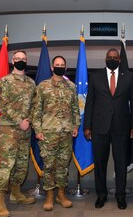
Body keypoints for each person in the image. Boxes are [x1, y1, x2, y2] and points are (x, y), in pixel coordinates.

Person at [84, 48, 133, 210]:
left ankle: (120, 196)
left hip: (122, 127)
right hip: (99, 127)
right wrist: (87, 126)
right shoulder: (95, 76)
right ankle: (101, 195)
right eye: (110, 57)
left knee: (121, 163)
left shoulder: (128, 77)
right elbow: (90, 103)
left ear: (120, 60)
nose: (112, 59)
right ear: (105, 59)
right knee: (100, 164)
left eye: (115, 57)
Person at [31, 56, 80, 211]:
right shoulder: (43, 86)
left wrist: (76, 125)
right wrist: (37, 130)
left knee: (63, 165)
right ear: (52, 67)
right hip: (48, 133)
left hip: (66, 132)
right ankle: (50, 195)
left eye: (62, 65)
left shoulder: (71, 87)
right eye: (57, 65)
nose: (60, 67)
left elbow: (75, 109)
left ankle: (61, 194)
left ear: (65, 67)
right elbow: (36, 110)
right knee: (49, 165)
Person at [0, 50, 36, 217]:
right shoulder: (5, 81)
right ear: (12, 60)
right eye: (18, 59)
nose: (21, 61)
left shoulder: (31, 83)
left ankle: (16, 193)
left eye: (24, 59)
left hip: (26, 129)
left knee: (22, 164)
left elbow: (35, 105)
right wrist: (19, 120)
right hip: (9, 129)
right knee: (5, 165)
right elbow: (2, 104)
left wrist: (29, 120)